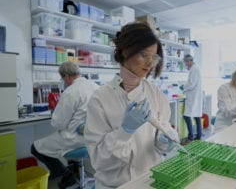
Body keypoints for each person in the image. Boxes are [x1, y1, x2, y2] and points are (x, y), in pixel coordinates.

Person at [84, 22, 179, 189]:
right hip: (115, 185)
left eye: (154, 57)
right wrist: (124, 132)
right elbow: (99, 161)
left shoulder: (156, 94)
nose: (150, 63)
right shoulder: (100, 99)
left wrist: (165, 141)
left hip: (151, 180)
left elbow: (160, 143)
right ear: (125, 51)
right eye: (144, 54)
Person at [31, 61, 99, 189]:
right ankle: (72, 174)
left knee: (35, 148)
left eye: (63, 78)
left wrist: (55, 112)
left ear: (67, 76)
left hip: (74, 139)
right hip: (93, 138)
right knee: (54, 143)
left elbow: (58, 123)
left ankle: (67, 176)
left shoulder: (71, 91)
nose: (64, 81)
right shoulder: (96, 86)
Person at [180, 54, 202, 141]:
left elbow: (191, 84)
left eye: (186, 63)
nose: (186, 65)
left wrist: (183, 87)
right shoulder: (195, 68)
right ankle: (198, 136)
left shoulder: (194, 69)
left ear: (189, 61)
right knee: (197, 116)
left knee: (187, 116)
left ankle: (190, 137)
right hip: (195, 95)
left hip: (193, 96)